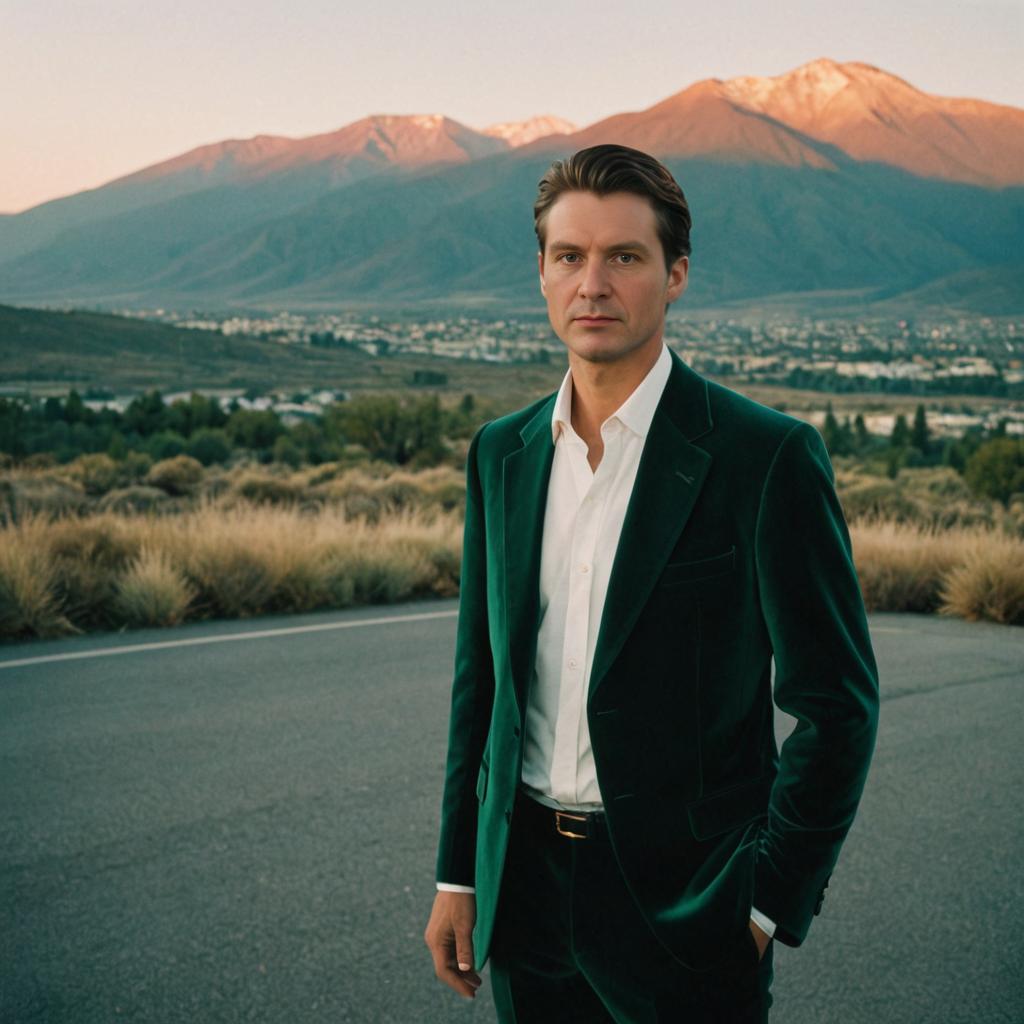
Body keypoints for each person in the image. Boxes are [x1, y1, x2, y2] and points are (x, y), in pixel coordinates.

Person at [424, 143, 879, 1022]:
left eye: (623, 257)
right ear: (542, 275)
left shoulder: (765, 458)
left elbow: (839, 705)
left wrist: (761, 904)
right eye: (570, 256)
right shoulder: (500, 454)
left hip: (689, 910)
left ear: (675, 275)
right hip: (524, 900)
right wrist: (459, 871)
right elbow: (478, 684)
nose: (592, 284)